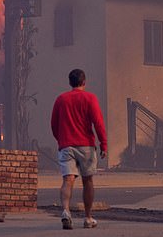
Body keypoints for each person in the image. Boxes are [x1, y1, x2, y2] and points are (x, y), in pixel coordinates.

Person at [51, 68, 108, 230]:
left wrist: (61, 140)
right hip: (86, 146)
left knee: (67, 179)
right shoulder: (90, 98)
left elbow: (54, 124)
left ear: (70, 82)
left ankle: (66, 211)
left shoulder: (61, 99)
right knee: (88, 180)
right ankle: (88, 218)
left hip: (66, 145)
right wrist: (103, 143)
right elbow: (98, 122)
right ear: (84, 82)